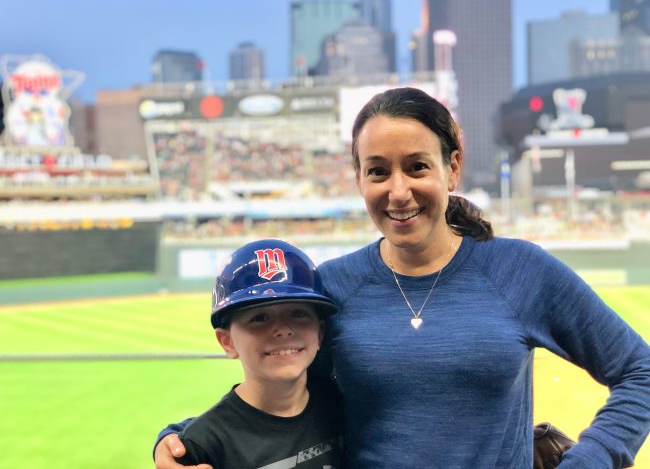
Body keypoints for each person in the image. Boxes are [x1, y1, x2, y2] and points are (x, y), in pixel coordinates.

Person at [154, 87, 650, 468]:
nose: (398, 191)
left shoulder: (519, 269)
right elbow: (281, 393)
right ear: (358, 179)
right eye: (377, 171)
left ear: (452, 168)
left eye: (416, 167)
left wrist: (590, 461)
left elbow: (639, 370)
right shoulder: (333, 288)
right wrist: (182, 437)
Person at [166, 238, 344, 468]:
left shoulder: (342, 403)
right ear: (227, 342)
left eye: (298, 313)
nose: (283, 330)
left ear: (319, 333)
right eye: (259, 318)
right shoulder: (203, 446)